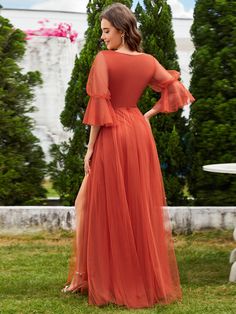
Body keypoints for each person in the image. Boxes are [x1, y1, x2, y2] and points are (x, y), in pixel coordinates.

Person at [62, 2, 195, 309]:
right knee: (133, 203)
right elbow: (175, 90)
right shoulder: (148, 61)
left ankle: (90, 277)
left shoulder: (105, 60)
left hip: (111, 133)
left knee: (93, 204)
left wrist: (90, 147)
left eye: (107, 31)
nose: (103, 38)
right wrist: (144, 115)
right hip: (137, 131)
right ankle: (105, 276)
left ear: (121, 30)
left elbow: (99, 106)